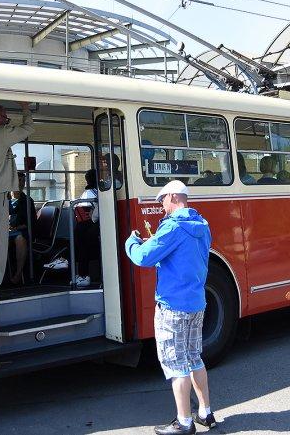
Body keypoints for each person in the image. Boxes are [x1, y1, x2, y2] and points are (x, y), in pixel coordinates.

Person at [125, 180, 216, 435]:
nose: (161, 205)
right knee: (194, 357)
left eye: (163, 199)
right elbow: (185, 257)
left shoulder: (173, 227)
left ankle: (184, 422)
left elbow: (142, 257)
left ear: (174, 197)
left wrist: (131, 243)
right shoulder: (202, 224)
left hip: (173, 306)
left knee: (177, 364)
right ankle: (205, 413)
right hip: (197, 302)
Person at [0, 101, 34, 286]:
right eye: (4, 117)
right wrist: (25, 108)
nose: (7, 121)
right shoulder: (0, 133)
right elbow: (28, 128)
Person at [73, 168, 101, 287]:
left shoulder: (95, 192)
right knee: (79, 232)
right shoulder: (94, 191)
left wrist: (92, 217)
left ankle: (84, 274)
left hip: (100, 223)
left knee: (82, 236)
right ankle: (82, 273)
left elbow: (97, 212)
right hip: (91, 223)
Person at [7, 172, 37, 285]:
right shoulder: (4, 199)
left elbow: (31, 222)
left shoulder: (28, 201)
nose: (20, 184)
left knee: (20, 238)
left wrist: (17, 227)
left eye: (22, 181)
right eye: (17, 181)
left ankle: (18, 273)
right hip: (4, 231)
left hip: (21, 231)